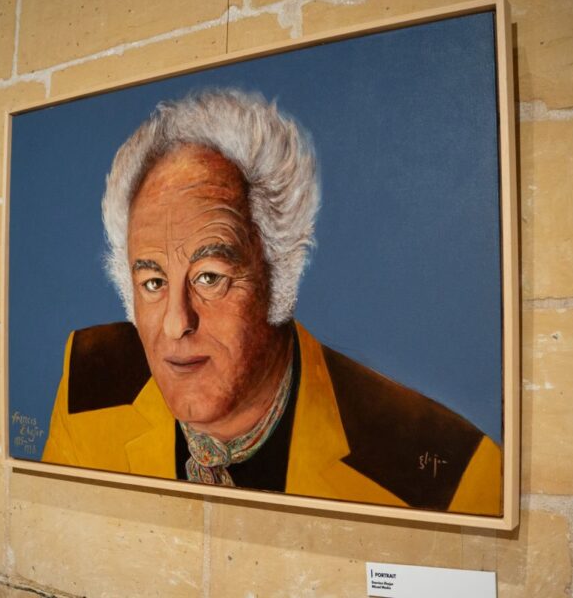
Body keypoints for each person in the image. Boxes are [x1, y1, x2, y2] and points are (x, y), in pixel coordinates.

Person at [42, 90, 501, 515]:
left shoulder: (441, 479)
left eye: (210, 278)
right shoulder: (92, 379)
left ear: (277, 274)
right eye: (153, 282)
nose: (176, 323)